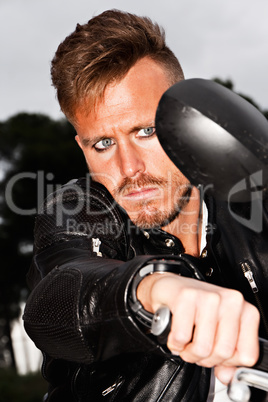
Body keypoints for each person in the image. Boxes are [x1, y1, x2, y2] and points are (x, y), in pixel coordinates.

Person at [23, 9, 267, 402]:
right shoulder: (77, 211)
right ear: (82, 148)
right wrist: (150, 289)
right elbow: (59, 297)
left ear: (187, 121)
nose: (129, 169)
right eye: (103, 144)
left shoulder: (250, 210)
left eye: (145, 131)